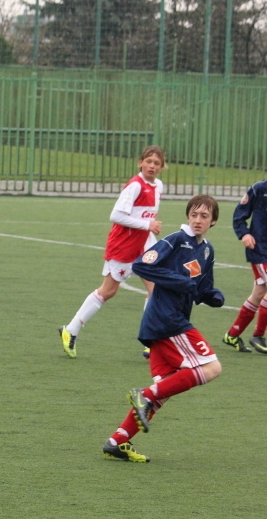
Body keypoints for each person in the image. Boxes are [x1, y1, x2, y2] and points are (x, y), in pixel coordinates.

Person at [103, 195, 224, 463]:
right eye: (194, 214)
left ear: (213, 221)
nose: (198, 220)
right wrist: (179, 282)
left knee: (164, 392)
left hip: (166, 323)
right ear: (188, 216)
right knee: (212, 368)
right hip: (167, 320)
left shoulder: (206, 251)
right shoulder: (175, 240)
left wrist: (212, 296)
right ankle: (142, 395)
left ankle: (117, 440)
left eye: (204, 216)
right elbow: (142, 265)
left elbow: (200, 287)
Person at [59, 146, 166, 359]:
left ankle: (150, 340)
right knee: (108, 291)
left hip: (144, 245)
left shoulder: (159, 186)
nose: (152, 166)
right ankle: (70, 330)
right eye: (148, 161)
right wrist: (147, 225)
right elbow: (116, 215)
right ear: (140, 163)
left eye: (156, 163)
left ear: (162, 167)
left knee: (157, 288)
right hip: (124, 245)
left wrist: (148, 229)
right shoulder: (134, 187)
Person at [222, 178, 267, 354]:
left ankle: (233, 334)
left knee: (259, 293)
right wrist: (244, 234)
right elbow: (239, 215)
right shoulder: (259, 189)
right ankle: (258, 335)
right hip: (261, 250)